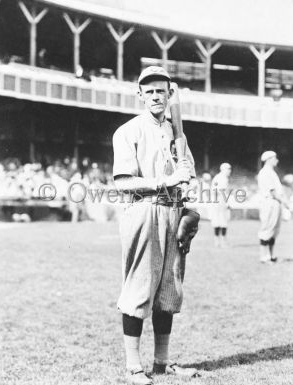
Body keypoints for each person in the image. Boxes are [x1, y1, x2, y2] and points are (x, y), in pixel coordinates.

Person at [112, 66, 199, 384]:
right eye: (148, 91)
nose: (155, 96)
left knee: (168, 291)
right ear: (140, 95)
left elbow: (188, 175)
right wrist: (167, 180)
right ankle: (133, 366)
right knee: (139, 288)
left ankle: (162, 362)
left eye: (161, 90)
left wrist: (189, 193)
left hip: (173, 212)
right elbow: (123, 182)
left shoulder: (178, 134)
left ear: (169, 94)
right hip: (144, 211)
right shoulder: (128, 131)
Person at [257, 151, 284, 263]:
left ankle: (271, 255)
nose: (276, 160)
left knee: (274, 230)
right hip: (269, 202)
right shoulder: (265, 172)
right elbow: (272, 192)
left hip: (276, 203)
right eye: (274, 158)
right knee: (267, 229)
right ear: (268, 159)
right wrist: (286, 203)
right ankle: (264, 256)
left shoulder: (272, 172)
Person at [210, 163, 232, 247]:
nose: (229, 171)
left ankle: (218, 242)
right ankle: (222, 242)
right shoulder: (222, 178)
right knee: (223, 221)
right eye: (228, 169)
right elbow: (222, 192)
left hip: (216, 201)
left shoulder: (218, 177)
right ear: (223, 169)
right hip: (220, 201)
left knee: (218, 221)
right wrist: (227, 203)